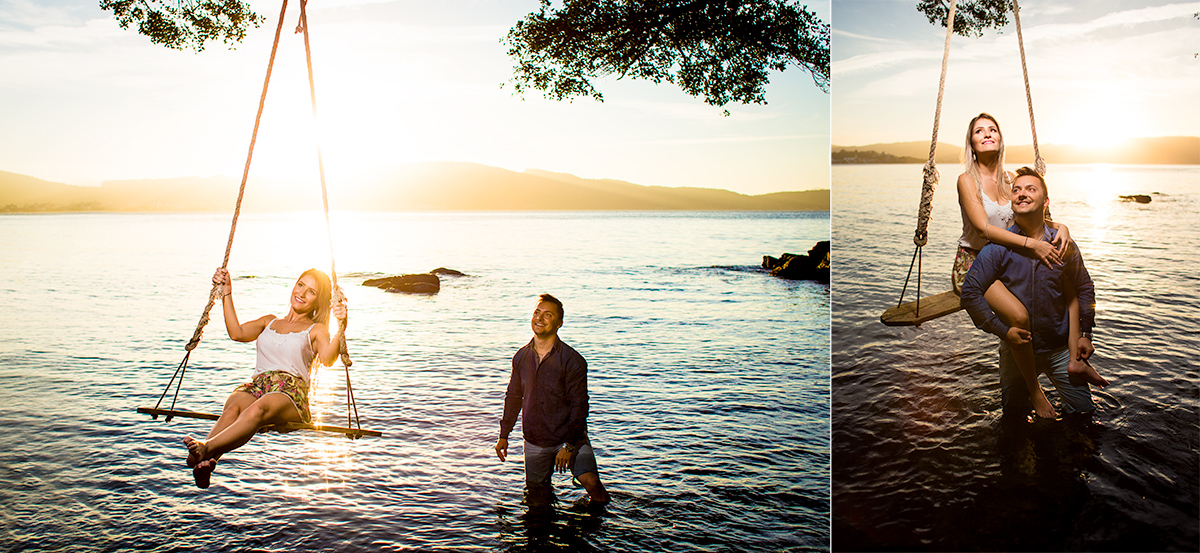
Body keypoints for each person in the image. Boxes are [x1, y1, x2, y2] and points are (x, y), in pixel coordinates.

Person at [952, 113, 1107, 419]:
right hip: (976, 262)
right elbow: (984, 229)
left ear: (1001, 137)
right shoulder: (966, 180)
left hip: (1012, 255)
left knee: (1067, 286)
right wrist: (1033, 244)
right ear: (970, 142)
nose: (986, 134)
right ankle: (1035, 393)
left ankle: (1075, 359)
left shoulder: (1011, 180)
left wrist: (1061, 227)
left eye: (992, 129)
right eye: (978, 131)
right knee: (1019, 314)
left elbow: (1031, 207)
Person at [183, 267, 347, 488]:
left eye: (311, 292)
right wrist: (227, 292)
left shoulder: (316, 329)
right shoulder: (269, 322)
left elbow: (327, 359)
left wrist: (341, 326)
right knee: (232, 408)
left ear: (318, 301)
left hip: (289, 392)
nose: (302, 293)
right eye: (301, 285)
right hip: (259, 385)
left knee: (257, 410)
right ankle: (207, 463)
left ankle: (204, 450)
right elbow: (237, 333)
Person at [495, 294, 611, 508]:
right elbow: (513, 397)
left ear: (559, 323)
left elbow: (580, 406)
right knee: (537, 498)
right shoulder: (521, 357)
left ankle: (600, 529)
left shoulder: (573, 361)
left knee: (592, 483)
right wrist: (504, 435)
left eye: (548, 315)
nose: (540, 318)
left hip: (569, 438)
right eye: (537, 313)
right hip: (535, 440)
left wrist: (568, 446)